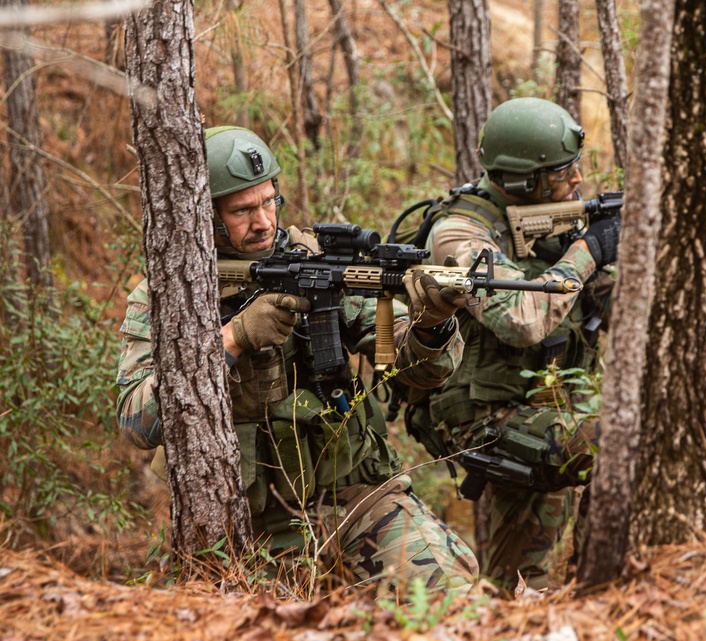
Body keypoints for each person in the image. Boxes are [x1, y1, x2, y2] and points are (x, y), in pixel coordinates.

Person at [116, 125, 478, 594]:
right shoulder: (168, 294)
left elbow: (415, 368)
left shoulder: (315, 263)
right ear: (203, 215)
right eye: (243, 210)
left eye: (269, 202)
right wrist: (234, 337)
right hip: (243, 528)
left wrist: (432, 322)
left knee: (450, 595)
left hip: (355, 501)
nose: (263, 221)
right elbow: (137, 422)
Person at [403, 98, 619, 590]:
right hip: (483, 419)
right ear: (526, 181)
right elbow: (521, 320)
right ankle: (606, 590)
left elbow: (615, 307)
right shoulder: (460, 232)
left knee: (517, 585)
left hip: (547, 402)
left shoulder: (550, 218)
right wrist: (588, 253)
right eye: (564, 171)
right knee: (620, 444)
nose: (579, 179)